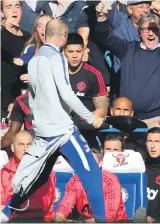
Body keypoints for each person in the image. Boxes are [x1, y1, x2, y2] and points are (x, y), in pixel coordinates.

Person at [1, 19, 107, 223]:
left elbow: (31, 97)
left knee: (37, 176)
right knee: (92, 175)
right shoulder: (57, 57)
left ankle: (5, 215)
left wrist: (38, 123)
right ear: (64, 36)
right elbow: (66, 93)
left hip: (42, 131)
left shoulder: (34, 59)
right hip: (62, 131)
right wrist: (91, 118)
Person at [96, 2, 160, 127]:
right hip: (129, 119)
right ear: (140, 33)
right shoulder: (127, 49)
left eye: (154, 29)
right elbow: (105, 38)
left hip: (159, 119)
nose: (150, 33)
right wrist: (102, 17)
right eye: (146, 29)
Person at [55, 148, 128, 222]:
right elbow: (65, 206)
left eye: (91, 162)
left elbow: (109, 216)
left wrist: (84, 222)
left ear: (100, 163)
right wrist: (59, 217)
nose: (87, 165)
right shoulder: (75, 180)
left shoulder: (110, 181)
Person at [64, 33, 108, 147]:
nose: (74, 56)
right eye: (70, 52)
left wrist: (81, 123)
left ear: (83, 51)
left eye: (78, 52)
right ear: (63, 51)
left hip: (86, 132)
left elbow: (101, 111)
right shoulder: (55, 73)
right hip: (60, 132)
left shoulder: (94, 74)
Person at [0, 131, 56, 222]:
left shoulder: (47, 172)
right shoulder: (3, 174)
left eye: (29, 144)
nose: (25, 149)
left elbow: (50, 206)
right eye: (21, 145)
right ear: (13, 148)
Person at [1, 0, 30, 119]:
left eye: (17, 6)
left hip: (23, 100)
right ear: (2, 12)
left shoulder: (28, 37)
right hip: (2, 102)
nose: (14, 10)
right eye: (9, 7)